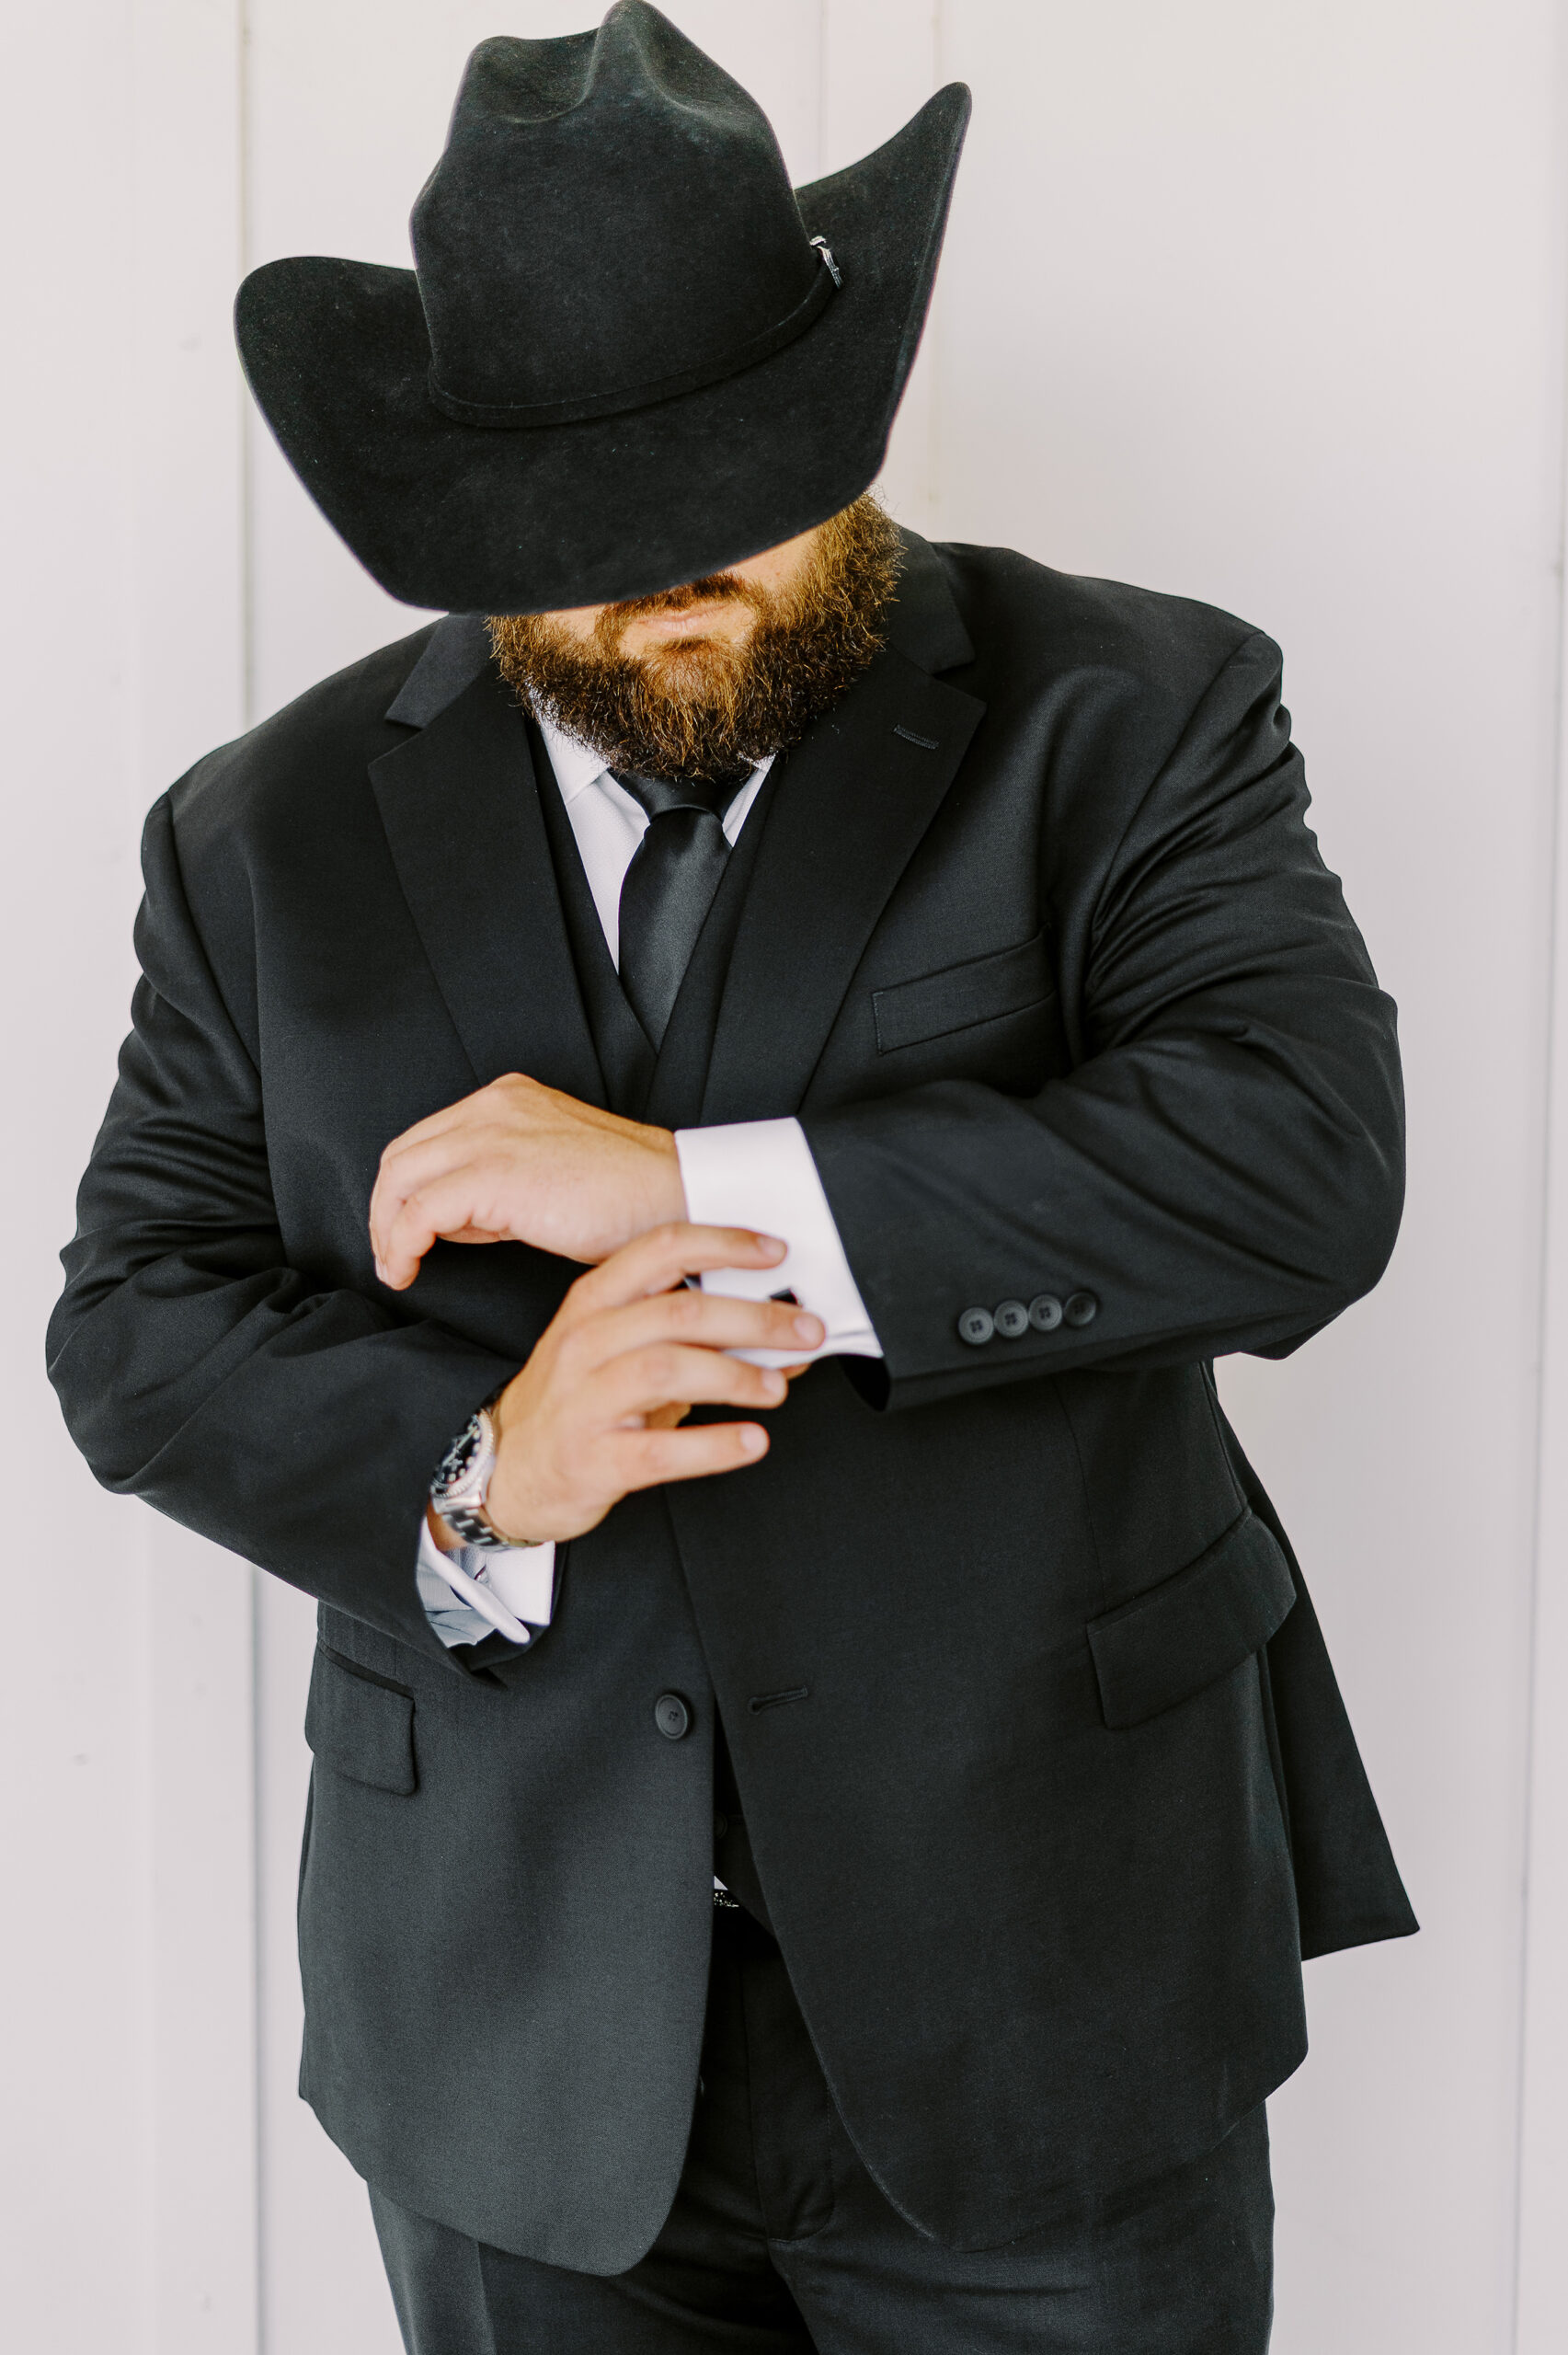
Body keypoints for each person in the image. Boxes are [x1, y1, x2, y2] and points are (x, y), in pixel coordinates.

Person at [47, 6, 1417, 2349]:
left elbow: (1296, 1164)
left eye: (743, 479)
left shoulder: (1137, 712)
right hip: (512, 2028)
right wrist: (487, 1466)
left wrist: (707, 1187)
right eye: (589, 525)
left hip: (1047, 1998)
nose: (678, 571)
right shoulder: (259, 836)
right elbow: (137, 1322)